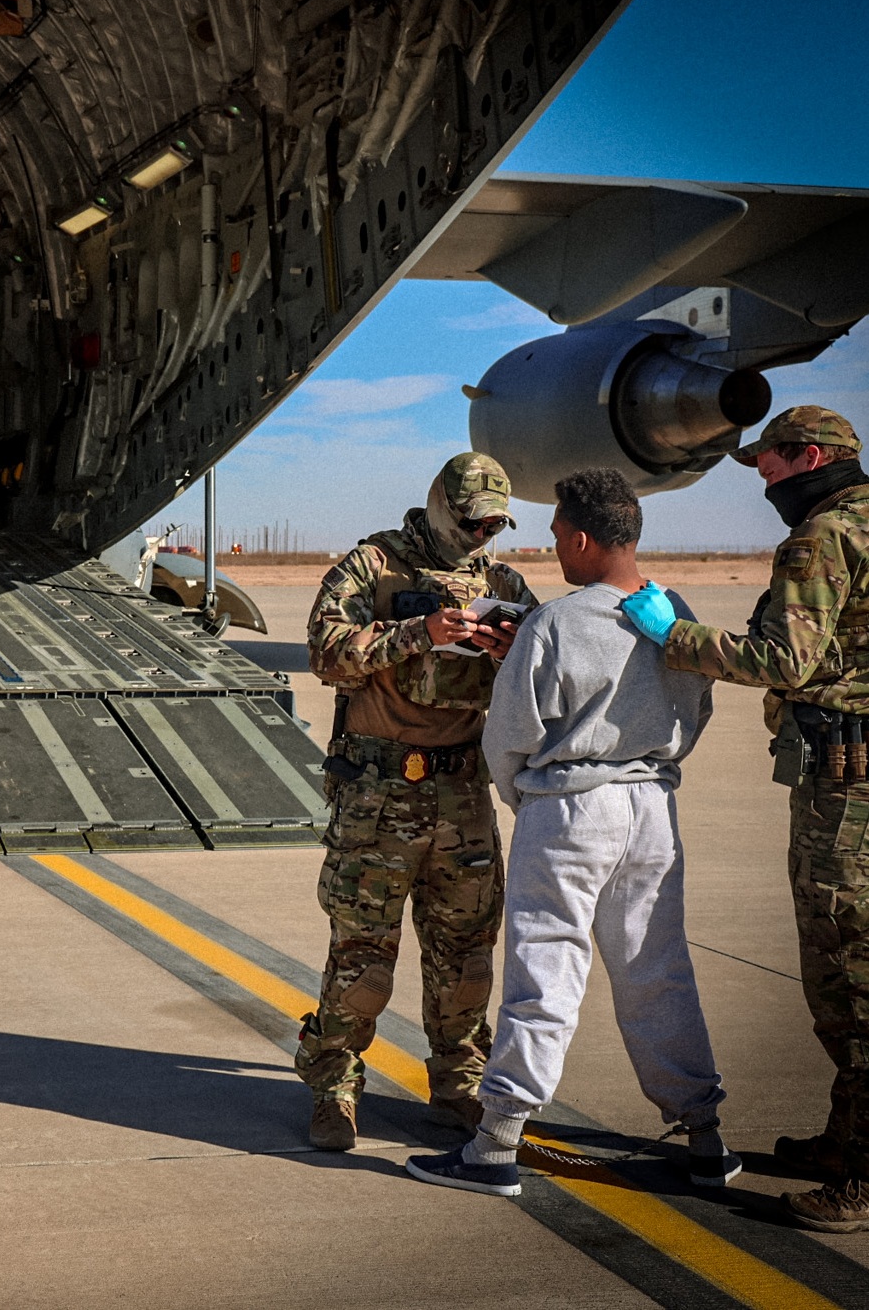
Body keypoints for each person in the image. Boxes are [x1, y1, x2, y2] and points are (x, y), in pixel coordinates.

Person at [408, 469, 736, 1198]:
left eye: (557, 535)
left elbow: (511, 736)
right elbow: (698, 709)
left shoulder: (554, 623)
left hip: (570, 808)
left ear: (583, 538)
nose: (555, 550)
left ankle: (495, 1144)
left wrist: (533, 803)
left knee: (545, 976)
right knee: (658, 970)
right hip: (651, 805)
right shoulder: (671, 613)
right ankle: (705, 1136)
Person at [624, 405, 869, 1233]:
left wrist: (675, 634)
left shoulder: (820, 538)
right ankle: (844, 1139)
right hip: (852, 772)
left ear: (806, 457)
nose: (761, 479)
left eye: (766, 463)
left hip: (848, 793)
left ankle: (862, 1176)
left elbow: (784, 659)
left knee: (849, 976)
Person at [300, 452, 537, 1150]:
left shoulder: (504, 583)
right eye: (470, 521)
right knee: (363, 955)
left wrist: (510, 649)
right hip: (379, 792)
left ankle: (458, 1086)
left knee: (465, 955)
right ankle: (335, 1087)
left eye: (493, 525)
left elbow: (543, 678)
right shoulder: (373, 566)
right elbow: (325, 650)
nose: (480, 536)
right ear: (438, 503)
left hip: (462, 794)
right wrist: (419, 634)